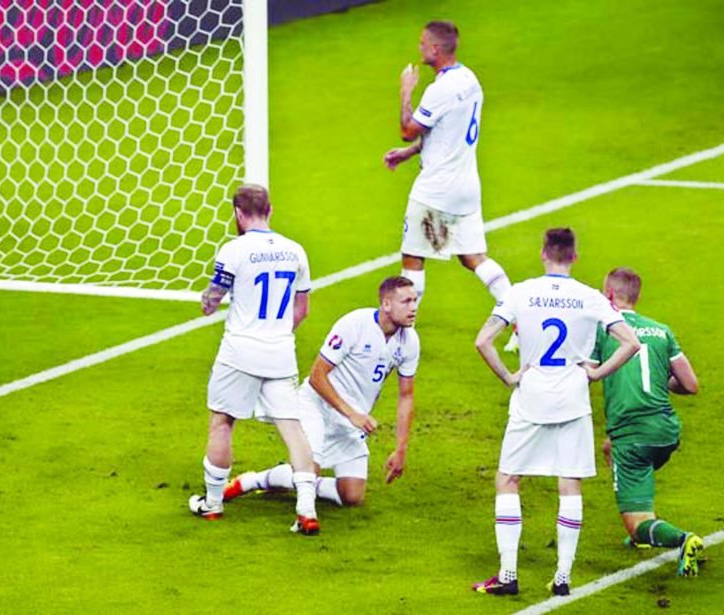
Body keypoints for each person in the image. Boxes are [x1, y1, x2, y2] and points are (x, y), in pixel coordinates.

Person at [471, 228, 640, 597]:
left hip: (530, 399)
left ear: (543, 253)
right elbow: (631, 342)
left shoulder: (521, 292)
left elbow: (483, 340)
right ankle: (562, 578)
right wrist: (595, 372)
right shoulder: (590, 297)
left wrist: (508, 376)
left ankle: (508, 573)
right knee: (569, 484)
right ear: (575, 256)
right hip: (573, 400)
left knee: (508, 479)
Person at [188, 184, 320, 536]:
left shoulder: (233, 250)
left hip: (239, 352)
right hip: (280, 353)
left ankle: (213, 504)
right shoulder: (296, 251)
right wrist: (274, 334)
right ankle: (306, 510)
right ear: (270, 210)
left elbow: (212, 301)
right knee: (292, 428)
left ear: (238, 213)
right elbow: (302, 309)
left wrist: (207, 300)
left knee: (222, 422)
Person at [223, 276, 420, 509]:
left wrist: (400, 450)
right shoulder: (354, 325)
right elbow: (317, 375)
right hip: (317, 405)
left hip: (349, 420)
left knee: (352, 497)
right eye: (406, 301)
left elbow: (406, 396)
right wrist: (352, 414)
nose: (414, 307)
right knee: (309, 471)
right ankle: (250, 481)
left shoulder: (409, 342)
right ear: (386, 304)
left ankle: (294, 474)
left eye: (415, 300)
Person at [383, 21, 513, 313]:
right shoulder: (470, 80)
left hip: (437, 190)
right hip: (466, 188)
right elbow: (447, 134)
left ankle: (405, 332)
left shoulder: (439, 90)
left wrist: (406, 91)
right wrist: (408, 154)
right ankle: (517, 314)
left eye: (422, 43)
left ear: (435, 49)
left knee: (413, 259)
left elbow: (407, 129)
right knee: (474, 258)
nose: (419, 48)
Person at [591, 267, 703, 576]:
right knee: (609, 448)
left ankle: (680, 539)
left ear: (610, 296)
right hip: (666, 431)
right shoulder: (661, 330)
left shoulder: (603, 330)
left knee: (637, 523)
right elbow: (690, 385)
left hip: (634, 436)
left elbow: (583, 372)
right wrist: (660, 378)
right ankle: (646, 523)